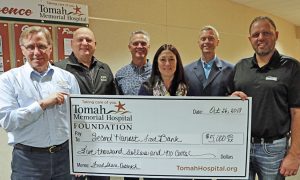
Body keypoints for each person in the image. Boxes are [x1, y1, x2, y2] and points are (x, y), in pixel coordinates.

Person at [0, 26, 80, 179]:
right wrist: (42, 105)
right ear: (22, 49)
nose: (37, 52)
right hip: (28, 161)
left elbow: (78, 119)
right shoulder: (8, 80)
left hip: (64, 158)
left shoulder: (68, 78)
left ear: (50, 48)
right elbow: (8, 121)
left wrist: (79, 158)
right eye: (30, 47)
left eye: (42, 46)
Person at [232, 16, 300, 179]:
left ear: (276, 35)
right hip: (241, 147)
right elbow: (230, 105)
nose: (260, 38)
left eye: (266, 33)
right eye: (256, 35)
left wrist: (294, 154)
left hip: (273, 149)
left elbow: (297, 113)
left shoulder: (291, 67)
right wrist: (231, 99)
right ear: (250, 39)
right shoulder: (240, 67)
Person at [55, 27, 116, 180]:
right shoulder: (59, 69)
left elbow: (115, 102)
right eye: (80, 40)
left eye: (88, 40)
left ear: (95, 44)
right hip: (72, 144)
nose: (84, 43)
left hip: (101, 143)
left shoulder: (105, 69)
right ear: (72, 43)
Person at [184, 25, 234, 96]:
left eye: (211, 38)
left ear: (217, 42)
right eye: (203, 39)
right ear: (198, 43)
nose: (207, 41)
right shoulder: (186, 71)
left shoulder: (231, 69)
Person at [115, 30, 152, 95]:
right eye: (135, 43)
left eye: (143, 43)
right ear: (129, 47)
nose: (140, 46)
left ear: (148, 47)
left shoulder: (158, 72)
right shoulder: (120, 74)